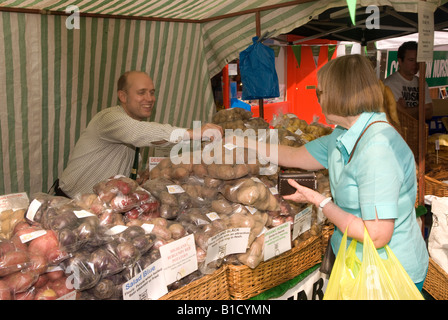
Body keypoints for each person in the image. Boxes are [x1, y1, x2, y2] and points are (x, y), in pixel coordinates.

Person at [229, 54, 428, 291]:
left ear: (339, 95)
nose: (317, 99)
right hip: (356, 264)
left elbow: (376, 235)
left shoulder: (377, 149)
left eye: (319, 93)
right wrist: (240, 141)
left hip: (390, 274)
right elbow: (294, 156)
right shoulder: (342, 134)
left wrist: (320, 202)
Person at [56, 71, 223, 198]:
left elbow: (146, 138)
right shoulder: (109, 118)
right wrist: (195, 133)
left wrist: (136, 177)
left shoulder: (133, 124)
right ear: (122, 96)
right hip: (71, 204)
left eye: (152, 92)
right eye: (141, 92)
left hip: (101, 207)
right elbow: (142, 133)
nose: (149, 98)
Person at [383, 41, 433, 120]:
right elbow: (398, 116)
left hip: (418, 131)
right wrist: (421, 108)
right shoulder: (390, 84)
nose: (416, 64)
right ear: (400, 61)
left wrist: (406, 110)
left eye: (418, 60)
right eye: (411, 60)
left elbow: (429, 112)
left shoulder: (422, 83)